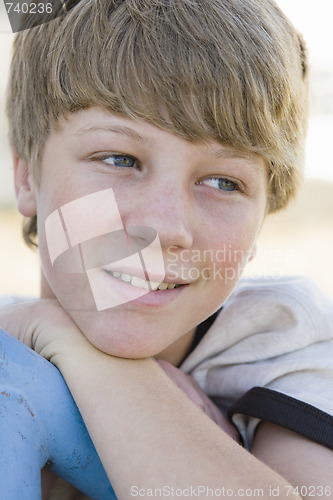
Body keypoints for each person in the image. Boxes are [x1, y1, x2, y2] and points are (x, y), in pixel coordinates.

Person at [1, 0, 333, 498]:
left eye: (223, 181)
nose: (166, 225)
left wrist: (77, 349)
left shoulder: (285, 338)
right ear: (27, 176)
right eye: (119, 158)